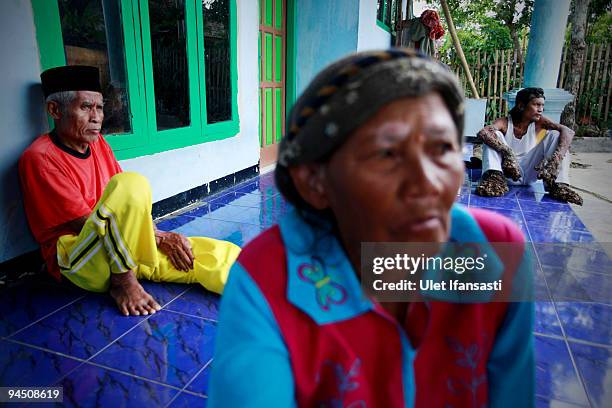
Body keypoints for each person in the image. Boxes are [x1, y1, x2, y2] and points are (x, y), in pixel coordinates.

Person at [208, 50, 534, 407]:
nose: (428, 183)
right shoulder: (268, 276)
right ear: (315, 182)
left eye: (441, 148)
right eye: (387, 154)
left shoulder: (497, 251)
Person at [19, 65, 240, 316]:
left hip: (116, 248)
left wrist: (160, 236)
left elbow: (123, 210)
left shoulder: (99, 143)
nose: (96, 117)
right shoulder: (40, 158)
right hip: (80, 261)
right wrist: (138, 263)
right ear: (54, 110)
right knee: (132, 184)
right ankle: (122, 281)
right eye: (85, 107)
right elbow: (85, 224)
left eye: (99, 107)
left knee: (208, 253)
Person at [475, 87, 583, 204]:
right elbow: (483, 132)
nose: (540, 109)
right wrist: (507, 153)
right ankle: (494, 178)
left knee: (556, 135)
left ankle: (558, 185)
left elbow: (568, 131)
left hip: (531, 171)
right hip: (507, 172)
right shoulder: (505, 122)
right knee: (493, 134)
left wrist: (555, 160)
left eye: (542, 106)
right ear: (521, 106)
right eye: (536, 105)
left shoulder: (540, 122)